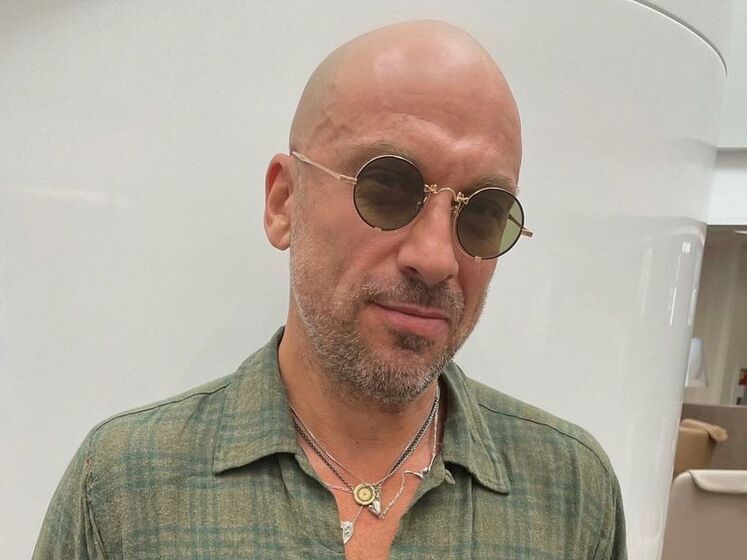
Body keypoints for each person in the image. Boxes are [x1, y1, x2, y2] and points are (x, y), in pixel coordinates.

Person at [34, 20, 627, 560]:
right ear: (284, 202)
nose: (435, 259)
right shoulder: (123, 490)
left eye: (483, 213)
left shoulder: (572, 493)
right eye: (388, 188)